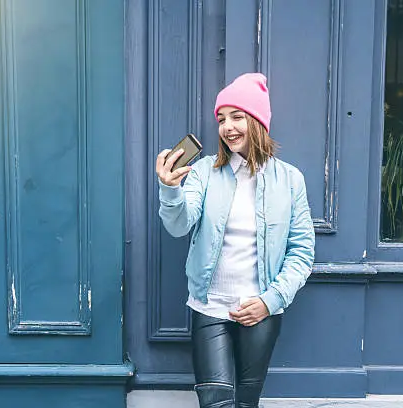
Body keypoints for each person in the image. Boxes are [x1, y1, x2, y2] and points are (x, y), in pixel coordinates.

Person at [155, 73, 315, 408]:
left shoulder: (289, 180)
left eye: (237, 116)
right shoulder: (202, 172)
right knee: (216, 402)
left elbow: (301, 252)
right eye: (221, 119)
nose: (227, 127)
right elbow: (179, 225)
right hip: (210, 307)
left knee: (245, 402)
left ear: (257, 121)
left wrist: (270, 300)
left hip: (260, 312)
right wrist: (170, 190)